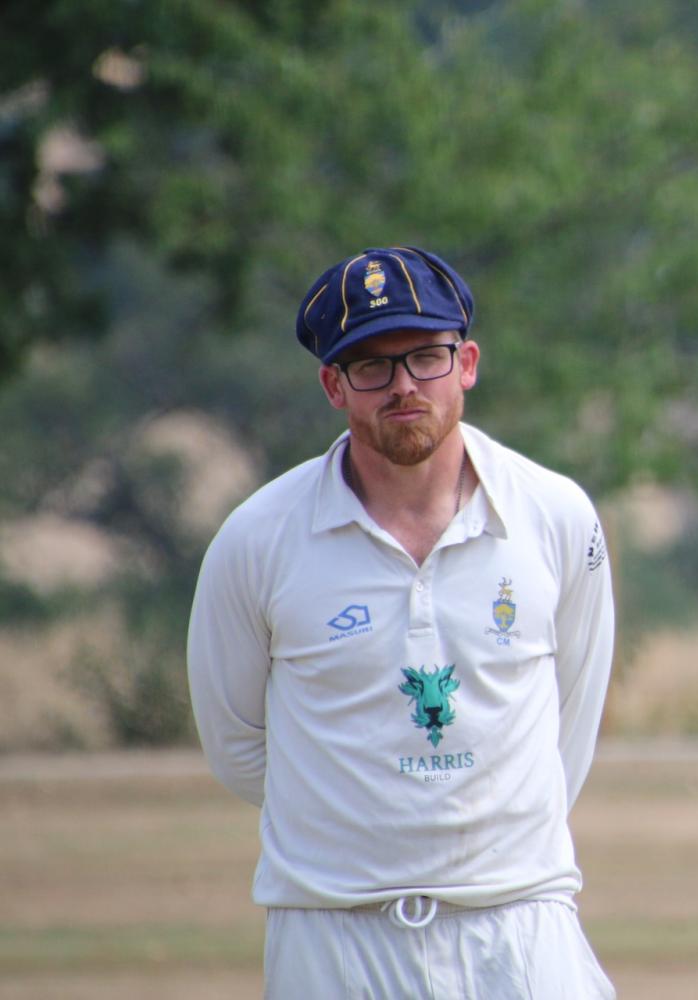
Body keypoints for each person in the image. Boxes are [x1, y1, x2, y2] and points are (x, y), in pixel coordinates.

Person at [187, 245, 616, 999]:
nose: (404, 387)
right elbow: (237, 749)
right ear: (332, 384)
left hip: (519, 927)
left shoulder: (554, 514)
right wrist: (368, 822)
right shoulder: (257, 539)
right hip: (335, 935)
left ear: (469, 362)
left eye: (426, 357)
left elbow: (568, 725)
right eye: (372, 367)